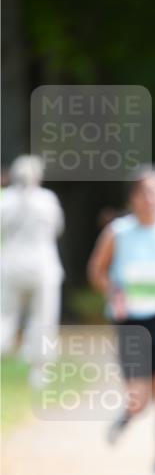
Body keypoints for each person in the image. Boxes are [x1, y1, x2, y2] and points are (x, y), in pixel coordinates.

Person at [88, 165, 155, 475]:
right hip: (132, 322)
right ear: (132, 198)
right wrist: (112, 292)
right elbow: (97, 270)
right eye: (143, 192)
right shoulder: (118, 232)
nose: (150, 198)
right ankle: (126, 417)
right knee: (139, 400)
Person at [0, 155, 64, 388]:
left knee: (5, 316)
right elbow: (58, 228)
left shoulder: (5, 200)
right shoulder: (47, 199)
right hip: (43, 266)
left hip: (11, 265)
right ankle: (39, 371)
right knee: (43, 319)